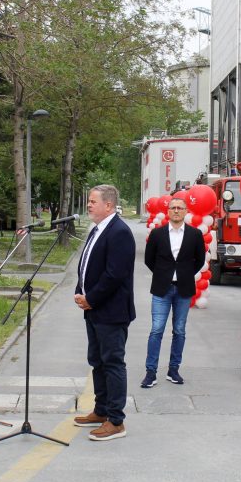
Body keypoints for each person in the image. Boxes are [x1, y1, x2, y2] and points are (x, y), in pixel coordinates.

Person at [72, 185, 136, 441]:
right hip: (94, 309)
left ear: (108, 205)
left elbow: (114, 274)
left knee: (112, 363)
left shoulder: (119, 232)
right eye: (89, 201)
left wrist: (91, 298)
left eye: (92, 201)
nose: (89, 205)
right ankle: (101, 410)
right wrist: (80, 290)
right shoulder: (98, 229)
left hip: (111, 311)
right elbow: (88, 264)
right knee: (97, 361)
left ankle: (116, 420)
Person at [141, 197, 205, 388]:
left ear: (186, 211)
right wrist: (163, 274)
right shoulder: (157, 234)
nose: (176, 211)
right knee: (156, 330)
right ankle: (150, 372)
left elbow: (200, 260)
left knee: (179, 330)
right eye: (173, 208)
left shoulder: (195, 234)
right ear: (168, 211)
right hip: (162, 289)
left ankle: (173, 369)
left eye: (180, 208)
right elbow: (149, 259)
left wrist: (184, 274)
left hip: (184, 289)